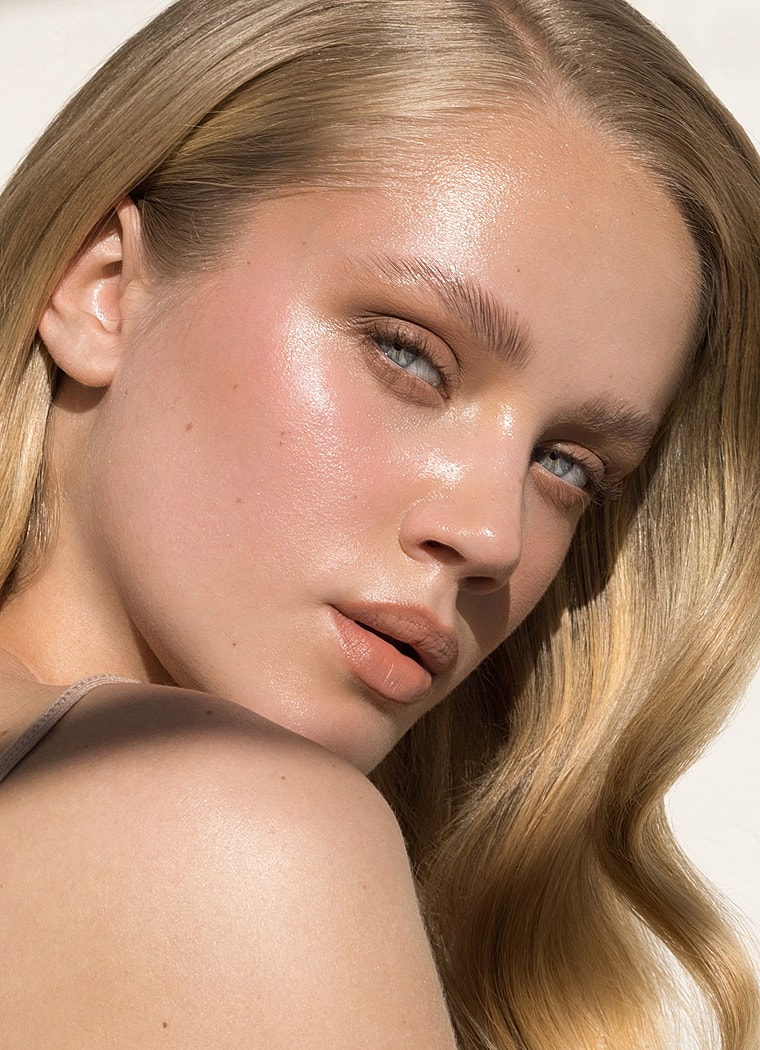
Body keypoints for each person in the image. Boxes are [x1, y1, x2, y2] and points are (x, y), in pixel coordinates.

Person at [0, 0, 758, 1046]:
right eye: (410, 356)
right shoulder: (238, 833)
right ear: (105, 290)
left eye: (567, 464)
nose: (493, 537)